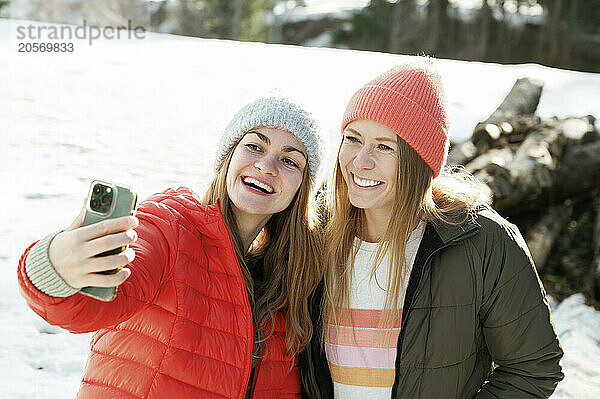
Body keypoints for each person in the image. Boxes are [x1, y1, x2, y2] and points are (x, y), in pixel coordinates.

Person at [17, 96, 324, 399]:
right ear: (228, 157)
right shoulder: (169, 228)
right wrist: (53, 267)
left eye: (289, 160)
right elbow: (88, 307)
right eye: (254, 146)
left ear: (302, 187)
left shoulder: (289, 287)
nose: (266, 165)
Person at [298, 61, 564, 398]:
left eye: (384, 146)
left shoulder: (482, 242)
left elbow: (533, 367)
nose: (360, 161)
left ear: (420, 161)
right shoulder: (314, 231)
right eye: (353, 139)